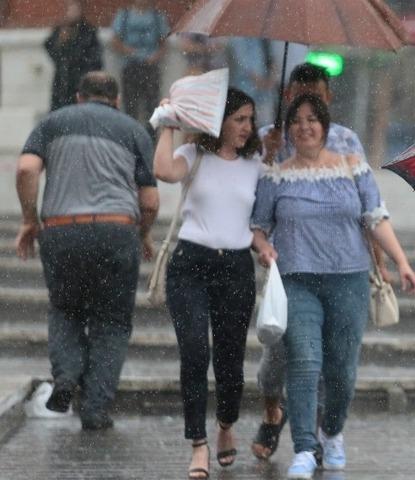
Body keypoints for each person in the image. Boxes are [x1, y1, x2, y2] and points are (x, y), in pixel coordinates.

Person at [250, 94, 415, 479]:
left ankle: (331, 432)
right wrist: (265, 249)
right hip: (297, 281)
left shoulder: (352, 167)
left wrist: (403, 263)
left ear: (326, 127)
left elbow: (376, 218)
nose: (305, 126)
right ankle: (304, 448)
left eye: (313, 119)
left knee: (342, 370)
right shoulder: (275, 175)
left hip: (349, 280)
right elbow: (258, 227)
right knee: (304, 362)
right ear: (288, 130)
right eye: (296, 120)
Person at [250, 62, 385, 461]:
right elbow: (248, 196)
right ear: (287, 96)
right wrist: (265, 155)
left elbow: (365, 206)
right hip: (288, 267)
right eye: (299, 93)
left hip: (341, 264)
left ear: (327, 100)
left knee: (325, 360)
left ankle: (319, 433)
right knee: (278, 360)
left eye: (317, 95)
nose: (307, 105)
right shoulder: (269, 139)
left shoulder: (346, 141)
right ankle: (275, 412)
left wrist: (378, 260)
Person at [14, 71, 159, 431]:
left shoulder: (54, 122)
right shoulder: (133, 130)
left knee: (65, 311)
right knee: (111, 322)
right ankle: (95, 409)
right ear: (117, 100)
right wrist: (142, 234)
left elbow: (25, 169)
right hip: (115, 230)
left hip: (62, 231)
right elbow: (151, 201)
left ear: (79, 97)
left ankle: (65, 379)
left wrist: (29, 219)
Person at [153, 88, 264, 480]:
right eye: (239, 119)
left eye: (250, 120)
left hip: (236, 269)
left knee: (231, 363)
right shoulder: (194, 155)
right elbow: (164, 172)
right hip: (191, 266)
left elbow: (263, 217)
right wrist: (167, 122)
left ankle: (225, 424)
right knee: (196, 353)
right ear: (219, 122)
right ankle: (197, 443)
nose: (247, 127)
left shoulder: (257, 164)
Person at [110, 0, 169, 125]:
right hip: (130, 66)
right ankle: (130, 137)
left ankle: (151, 138)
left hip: (150, 67)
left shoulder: (157, 16)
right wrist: (128, 51)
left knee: (151, 107)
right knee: (130, 106)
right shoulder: (124, 15)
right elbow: (114, 40)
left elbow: (164, 43)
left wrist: (155, 56)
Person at [44, 0, 102, 111]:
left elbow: (92, 56)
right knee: (60, 111)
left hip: (81, 79)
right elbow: (51, 49)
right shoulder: (61, 29)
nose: (72, 12)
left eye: (75, 9)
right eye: (70, 8)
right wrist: (61, 41)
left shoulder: (88, 30)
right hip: (62, 81)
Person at [226, 37, 277, 127]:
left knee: (265, 125)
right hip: (246, 89)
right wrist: (260, 81)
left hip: (265, 93)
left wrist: (271, 79)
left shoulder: (264, 37)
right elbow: (242, 63)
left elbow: (272, 58)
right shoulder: (238, 38)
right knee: (246, 124)